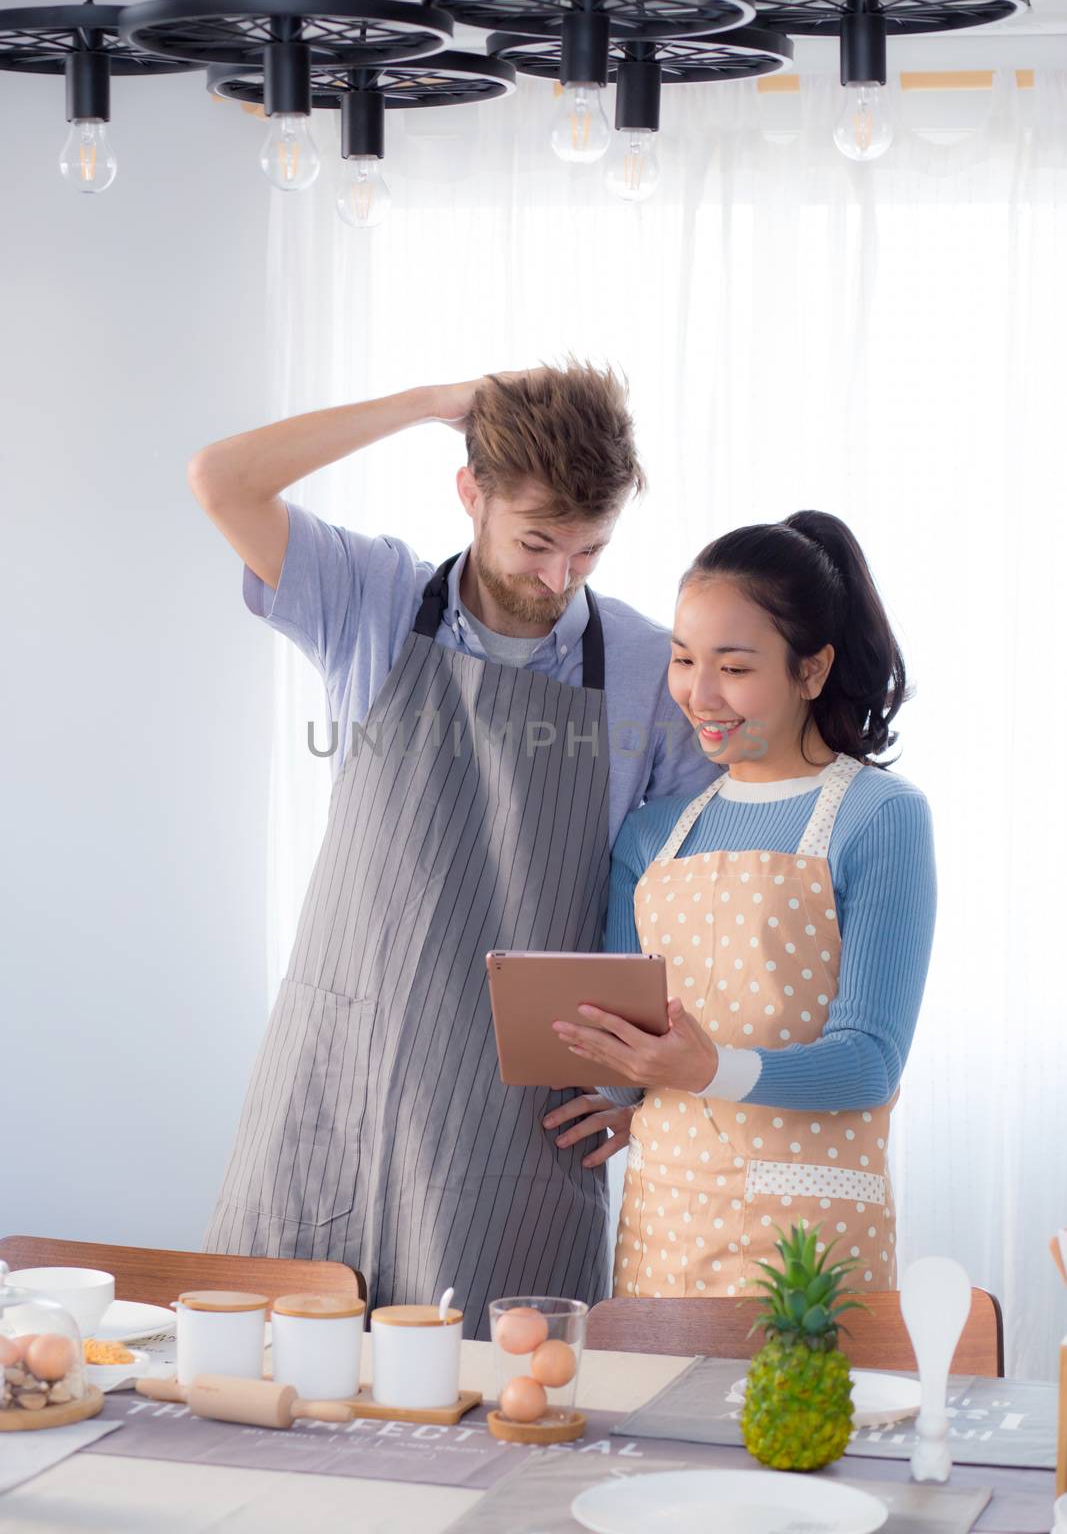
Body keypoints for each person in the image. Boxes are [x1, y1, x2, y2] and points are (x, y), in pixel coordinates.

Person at [187, 362, 711, 1334]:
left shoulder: (646, 665)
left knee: (508, 1422)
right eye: (536, 541)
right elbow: (222, 479)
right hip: (342, 1079)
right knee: (285, 1392)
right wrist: (426, 406)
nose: (557, 577)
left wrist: (645, 1089)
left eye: (588, 552)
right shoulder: (369, 596)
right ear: (470, 493)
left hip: (511, 1122)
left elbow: (702, 902)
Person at [550, 510, 936, 1297]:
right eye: (683, 658)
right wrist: (630, 1093)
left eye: (732, 666)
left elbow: (868, 1061)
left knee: (801, 1424)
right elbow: (641, 1038)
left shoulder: (880, 815)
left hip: (810, 1237)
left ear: (811, 669)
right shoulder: (651, 836)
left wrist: (705, 1070)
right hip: (666, 1219)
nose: (697, 693)